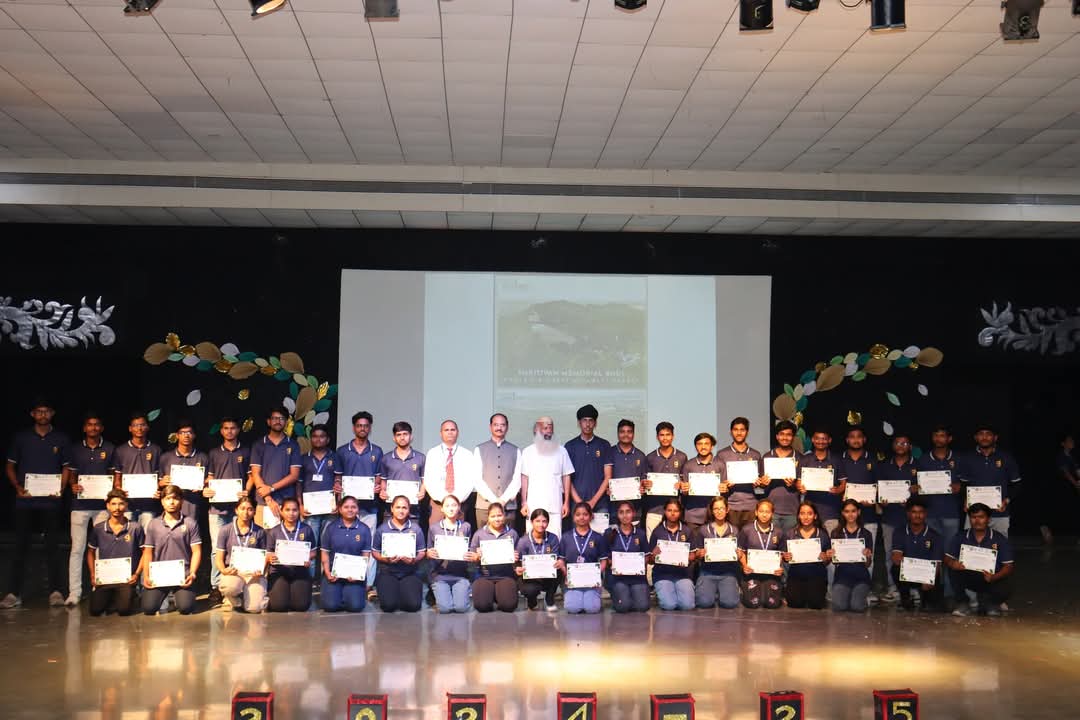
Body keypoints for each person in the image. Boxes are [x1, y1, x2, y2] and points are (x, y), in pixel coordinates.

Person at [3, 397, 71, 609]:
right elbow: (10, 466)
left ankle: (56, 591)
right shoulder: (21, 438)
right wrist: (17, 487)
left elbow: (67, 467)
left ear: (52, 414)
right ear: (33, 414)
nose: (43, 415)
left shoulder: (61, 438)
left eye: (46, 411)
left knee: (53, 548)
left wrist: (61, 488)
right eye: (39, 411)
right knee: (20, 547)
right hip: (26, 501)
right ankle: (13, 593)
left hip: (51, 502)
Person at [62, 411, 115, 607]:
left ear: (101, 428)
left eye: (97, 424)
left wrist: (112, 490)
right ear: (85, 428)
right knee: (77, 549)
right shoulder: (75, 449)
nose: (93, 427)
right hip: (80, 506)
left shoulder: (109, 448)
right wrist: (72, 485)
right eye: (90, 424)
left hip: (102, 507)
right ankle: (74, 592)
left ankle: (99, 588)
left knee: (101, 548)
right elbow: (72, 475)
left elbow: (113, 475)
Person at [204, 417, 251, 608]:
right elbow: (209, 479)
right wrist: (206, 489)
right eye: (226, 428)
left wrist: (246, 490)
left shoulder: (245, 451)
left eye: (233, 428)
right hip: (216, 509)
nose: (229, 431)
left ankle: (240, 583)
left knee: (240, 546)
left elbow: (250, 476)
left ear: (238, 430)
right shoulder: (214, 453)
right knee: (217, 549)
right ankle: (216, 586)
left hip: (239, 509)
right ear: (221, 431)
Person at [915, 425, 963, 595]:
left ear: (949, 439)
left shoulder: (958, 458)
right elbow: (916, 484)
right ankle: (933, 593)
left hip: (951, 514)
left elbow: (967, 483)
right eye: (936, 435)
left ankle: (949, 592)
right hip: (930, 514)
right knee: (930, 554)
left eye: (942, 435)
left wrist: (960, 487)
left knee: (950, 554)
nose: (939, 439)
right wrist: (917, 488)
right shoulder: (923, 459)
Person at [872, 434, 919, 604]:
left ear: (910, 446)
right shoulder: (884, 466)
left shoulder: (918, 465)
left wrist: (915, 493)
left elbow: (925, 491)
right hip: (889, 518)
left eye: (904, 443)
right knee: (890, 555)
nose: (901, 446)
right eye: (898, 443)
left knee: (913, 554)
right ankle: (893, 589)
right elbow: (878, 490)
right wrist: (881, 501)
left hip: (913, 520)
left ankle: (914, 590)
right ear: (893, 445)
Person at [141, 485, 201, 615]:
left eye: (175, 498)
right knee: (148, 608)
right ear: (162, 501)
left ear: (182, 501)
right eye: (168, 498)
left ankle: (179, 598)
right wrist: (146, 575)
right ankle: (166, 598)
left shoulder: (190, 523)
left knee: (186, 608)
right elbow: (148, 552)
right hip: (159, 574)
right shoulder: (153, 524)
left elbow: (196, 551)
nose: (172, 502)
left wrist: (192, 573)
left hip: (183, 574)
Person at [946, 503, 1015, 617]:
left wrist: (994, 577)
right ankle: (963, 603)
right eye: (973, 517)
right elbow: (947, 557)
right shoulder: (960, 536)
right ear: (969, 519)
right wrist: (953, 563)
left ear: (988, 519)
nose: (977, 521)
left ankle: (992, 603)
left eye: (981, 517)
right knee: (952, 569)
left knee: (1007, 584)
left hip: (991, 578)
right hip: (970, 576)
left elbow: (1009, 566)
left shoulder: (999, 538)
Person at [86, 489, 143, 617]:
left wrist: (136, 574)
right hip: (106, 578)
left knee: (124, 610)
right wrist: (93, 575)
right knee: (95, 610)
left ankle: (132, 595)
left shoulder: (135, 527)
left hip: (126, 579)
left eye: (121, 504)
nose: (117, 508)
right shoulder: (99, 528)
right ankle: (112, 597)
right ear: (108, 505)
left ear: (126, 505)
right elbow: (90, 552)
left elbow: (145, 553)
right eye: (113, 504)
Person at [956, 423, 1021, 536]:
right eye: (981, 434)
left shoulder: (1006, 457)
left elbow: (1017, 484)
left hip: (999, 513)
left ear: (995, 437)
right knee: (971, 544)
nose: (984, 437)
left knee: (999, 545)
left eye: (988, 434)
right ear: (976, 437)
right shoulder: (967, 458)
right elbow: (963, 484)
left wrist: (1006, 501)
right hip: (975, 513)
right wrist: (965, 499)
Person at [299, 424, 342, 578]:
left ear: (327, 439)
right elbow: (299, 484)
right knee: (310, 546)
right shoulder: (304, 458)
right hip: (310, 510)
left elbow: (338, 481)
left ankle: (326, 578)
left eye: (322, 436)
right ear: (311, 439)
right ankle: (308, 580)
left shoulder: (334, 457)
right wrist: (300, 505)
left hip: (330, 510)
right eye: (315, 436)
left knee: (328, 545)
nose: (318, 439)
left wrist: (338, 503)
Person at [890, 496, 945, 612]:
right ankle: (905, 597)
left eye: (921, 512)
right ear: (908, 514)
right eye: (914, 512)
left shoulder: (935, 535)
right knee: (895, 569)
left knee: (931, 608)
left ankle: (923, 595)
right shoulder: (899, 532)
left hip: (927, 575)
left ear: (925, 514)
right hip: (908, 573)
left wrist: (929, 580)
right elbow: (896, 558)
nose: (917, 515)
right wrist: (898, 559)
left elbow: (937, 564)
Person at [372, 495, 426, 612]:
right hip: (388, 571)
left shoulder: (416, 529)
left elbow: (422, 552)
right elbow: (375, 552)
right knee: (389, 606)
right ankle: (394, 593)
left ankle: (402, 592)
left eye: (404, 508)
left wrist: (414, 560)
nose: (401, 511)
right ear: (392, 509)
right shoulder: (382, 529)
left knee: (413, 606)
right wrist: (386, 559)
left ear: (409, 510)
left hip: (409, 572)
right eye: (398, 507)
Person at [250, 407, 302, 529]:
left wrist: (271, 488)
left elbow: (294, 475)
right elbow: (255, 474)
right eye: (274, 418)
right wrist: (268, 498)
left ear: (286, 422)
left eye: (282, 418)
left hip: (287, 504)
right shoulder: (259, 445)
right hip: (263, 502)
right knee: (262, 538)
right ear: (269, 421)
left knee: (286, 538)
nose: (278, 421)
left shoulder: (293, 444)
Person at [519, 417, 574, 534]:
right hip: (533, 505)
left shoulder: (562, 451)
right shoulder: (527, 452)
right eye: (545, 428)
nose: (548, 431)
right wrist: (523, 502)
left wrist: (566, 502)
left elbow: (566, 476)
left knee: (555, 538)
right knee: (533, 539)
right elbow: (524, 478)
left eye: (550, 428)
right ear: (536, 430)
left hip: (555, 505)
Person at [213, 496, 267, 613]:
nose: (246, 512)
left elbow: (264, 557)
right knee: (229, 587)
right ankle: (233, 599)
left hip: (253, 574)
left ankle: (246, 596)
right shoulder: (225, 530)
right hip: (234, 572)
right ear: (236, 510)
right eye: (242, 508)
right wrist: (223, 570)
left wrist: (261, 571)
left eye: (250, 509)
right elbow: (219, 557)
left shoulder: (260, 531)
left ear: (254, 512)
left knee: (254, 608)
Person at [320, 495, 373, 613]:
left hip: (354, 574)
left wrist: (357, 574)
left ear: (358, 509)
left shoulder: (364, 529)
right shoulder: (331, 528)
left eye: (353, 507)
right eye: (346, 507)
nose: (350, 510)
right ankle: (340, 595)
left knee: (355, 606)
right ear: (340, 509)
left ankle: (347, 595)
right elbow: (325, 552)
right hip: (334, 574)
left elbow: (366, 555)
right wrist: (327, 572)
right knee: (330, 606)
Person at [111, 411, 162, 530]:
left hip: (149, 504)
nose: (139, 428)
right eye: (135, 425)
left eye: (142, 425)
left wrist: (158, 490)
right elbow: (117, 478)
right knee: (127, 536)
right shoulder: (120, 450)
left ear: (147, 427)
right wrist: (119, 489)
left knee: (147, 537)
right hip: (127, 504)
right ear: (130, 428)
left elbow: (159, 477)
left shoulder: (156, 449)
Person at [473, 413, 522, 533]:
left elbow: (517, 479)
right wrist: (494, 500)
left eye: (502, 425)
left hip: (508, 506)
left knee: (508, 539)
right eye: (496, 425)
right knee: (484, 539)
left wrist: (503, 500)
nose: (499, 428)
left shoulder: (515, 450)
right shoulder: (479, 449)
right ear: (490, 427)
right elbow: (477, 479)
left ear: (507, 427)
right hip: (484, 507)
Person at [265, 497, 316, 612]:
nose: (291, 513)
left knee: (301, 606)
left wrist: (308, 558)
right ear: (281, 511)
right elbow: (268, 554)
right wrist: (271, 558)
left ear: (299, 511)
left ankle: (293, 594)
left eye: (294, 510)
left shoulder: (306, 529)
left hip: (300, 570)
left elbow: (313, 551)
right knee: (278, 607)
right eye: (287, 510)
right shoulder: (274, 531)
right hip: (279, 571)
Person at [337, 411, 384, 533]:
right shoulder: (342, 451)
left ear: (370, 428)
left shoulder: (377, 451)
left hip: (369, 507)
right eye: (359, 425)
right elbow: (338, 476)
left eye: (366, 426)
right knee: (347, 538)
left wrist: (376, 486)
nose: (362, 428)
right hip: (347, 506)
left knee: (368, 538)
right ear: (354, 428)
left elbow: (378, 476)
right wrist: (337, 485)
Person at [564, 404, 613, 522]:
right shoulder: (570, 446)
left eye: (591, 421)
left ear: (595, 423)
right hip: (577, 505)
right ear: (579, 423)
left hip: (600, 504)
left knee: (601, 534)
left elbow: (608, 476)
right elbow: (567, 478)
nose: (587, 424)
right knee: (578, 534)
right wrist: (580, 503)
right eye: (584, 420)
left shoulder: (604, 445)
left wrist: (593, 502)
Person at [426, 494, 474, 613]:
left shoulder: (466, 527)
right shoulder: (434, 528)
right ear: (442, 509)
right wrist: (429, 553)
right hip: (440, 575)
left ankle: (458, 591)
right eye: (447, 506)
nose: (451, 508)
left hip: (460, 575)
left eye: (454, 505)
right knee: (445, 609)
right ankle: (437, 591)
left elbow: (469, 549)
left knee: (461, 608)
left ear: (459, 507)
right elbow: (429, 549)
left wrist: (471, 555)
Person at [470, 501, 521, 613]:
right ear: (488, 517)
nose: (497, 519)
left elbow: (519, 556)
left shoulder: (512, 533)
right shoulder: (479, 534)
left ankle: (499, 595)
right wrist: (476, 557)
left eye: (499, 515)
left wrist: (516, 557)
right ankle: (491, 595)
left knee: (509, 606)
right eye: (493, 516)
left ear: (504, 515)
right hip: (484, 576)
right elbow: (471, 556)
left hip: (506, 575)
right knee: (482, 606)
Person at [780, 501, 832, 610]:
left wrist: (826, 558)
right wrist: (786, 557)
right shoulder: (790, 533)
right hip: (796, 575)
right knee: (795, 603)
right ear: (798, 516)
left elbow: (828, 559)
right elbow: (783, 556)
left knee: (815, 604)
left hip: (816, 575)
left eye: (809, 513)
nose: (806, 517)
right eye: (802, 513)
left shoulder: (822, 534)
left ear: (815, 516)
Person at [425, 420, 476, 529]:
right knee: (436, 534)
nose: (450, 432)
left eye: (452, 430)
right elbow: (428, 480)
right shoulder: (433, 453)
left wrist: (455, 500)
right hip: (438, 503)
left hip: (459, 503)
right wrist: (445, 500)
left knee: (458, 535)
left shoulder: (467, 454)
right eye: (446, 430)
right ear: (441, 433)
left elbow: (470, 481)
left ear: (457, 432)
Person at [691, 496, 740, 609]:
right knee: (704, 603)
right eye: (716, 509)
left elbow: (738, 552)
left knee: (730, 603)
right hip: (707, 572)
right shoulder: (703, 530)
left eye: (722, 508)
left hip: (727, 572)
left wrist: (738, 554)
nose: (719, 511)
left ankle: (723, 591)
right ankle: (711, 591)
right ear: (712, 511)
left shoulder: (734, 530)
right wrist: (699, 553)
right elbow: (696, 553)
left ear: (727, 510)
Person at [716, 417, 764, 531]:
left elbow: (761, 481)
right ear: (731, 432)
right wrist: (724, 484)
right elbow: (717, 480)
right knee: (731, 538)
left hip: (751, 506)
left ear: (747, 432)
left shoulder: (756, 454)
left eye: (742, 430)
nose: (739, 433)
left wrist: (759, 482)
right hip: (730, 506)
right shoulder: (722, 454)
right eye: (735, 429)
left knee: (750, 538)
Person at [641, 422, 689, 538]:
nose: (665, 438)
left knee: (674, 544)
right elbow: (644, 481)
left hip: (675, 511)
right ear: (657, 437)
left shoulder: (682, 456)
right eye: (662, 435)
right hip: (654, 510)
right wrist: (645, 484)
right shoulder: (650, 457)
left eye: (668, 434)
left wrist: (682, 485)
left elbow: (685, 482)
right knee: (652, 544)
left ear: (673, 436)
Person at [561, 501, 609, 614]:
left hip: (591, 581)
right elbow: (561, 560)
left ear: (591, 516)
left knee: (592, 608)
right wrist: (567, 574)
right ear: (573, 517)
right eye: (578, 514)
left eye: (585, 514)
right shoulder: (566, 537)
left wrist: (596, 574)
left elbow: (604, 561)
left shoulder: (598, 537)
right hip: (573, 581)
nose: (581, 517)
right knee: (572, 608)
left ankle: (592, 596)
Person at [737, 499, 784, 610]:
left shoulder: (778, 532)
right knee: (753, 603)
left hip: (771, 573)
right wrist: (745, 566)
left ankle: (767, 590)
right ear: (756, 512)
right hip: (751, 573)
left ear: (772, 514)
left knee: (772, 604)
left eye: (767, 512)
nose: (764, 514)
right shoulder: (746, 530)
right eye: (761, 511)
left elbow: (782, 553)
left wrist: (779, 567)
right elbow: (741, 551)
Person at [604, 500, 650, 613]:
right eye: (621, 512)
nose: (625, 515)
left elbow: (647, 556)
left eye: (628, 512)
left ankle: (628, 596)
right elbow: (604, 558)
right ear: (617, 514)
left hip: (637, 578)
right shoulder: (609, 533)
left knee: (642, 607)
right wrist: (612, 562)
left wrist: (639, 563)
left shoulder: (640, 534)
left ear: (633, 513)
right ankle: (621, 597)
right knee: (623, 607)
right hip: (617, 578)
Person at [649, 498, 694, 611]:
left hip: (682, 574)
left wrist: (688, 558)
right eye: (669, 510)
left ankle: (675, 592)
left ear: (680, 512)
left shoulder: (687, 531)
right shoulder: (657, 531)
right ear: (665, 511)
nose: (672, 513)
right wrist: (653, 555)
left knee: (687, 605)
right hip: (662, 575)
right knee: (669, 605)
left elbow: (693, 555)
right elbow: (650, 560)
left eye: (676, 511)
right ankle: (664, 592)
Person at [798, 427, 846, 532]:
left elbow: (843, 483)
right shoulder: (805, 459)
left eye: (824, 439)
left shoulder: (836, 459)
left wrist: (838, 490)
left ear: (829, 440)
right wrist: (800, 487)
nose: (820, 441)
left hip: (831, 510)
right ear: (813, 440)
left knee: (832, 540)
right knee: (812, 540)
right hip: (810, 512)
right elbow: (798, 482)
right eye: (817, 438)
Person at [515, 508, 564, 611]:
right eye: (537, 521)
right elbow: (518, 562)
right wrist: (518, 569)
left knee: (559, 570)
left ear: (548, 523)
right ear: (532, 522)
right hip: (530, 578)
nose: (541, 524)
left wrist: (559, 562)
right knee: (529, 590)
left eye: (544, 521)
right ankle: (532, 602)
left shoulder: (553, 538)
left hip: (547, 575)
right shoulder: (523, 541)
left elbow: (555, 558)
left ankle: (549, 599)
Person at [158, 419, 208, 519]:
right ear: (177, 435)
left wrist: (203, 484)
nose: (186, 436)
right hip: (171, 503)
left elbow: (208, 481)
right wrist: (161, 483)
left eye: (189, 432)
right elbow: (158, 483)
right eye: (182, 433)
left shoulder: (203, 457)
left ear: (194, 435)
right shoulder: (166, 457)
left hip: (193, 504)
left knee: (190, 527)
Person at [377, 421, 426, 520]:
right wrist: (383, 491)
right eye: (398, 435)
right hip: (391, 511)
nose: (402, 437)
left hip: (413, 511)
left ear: (411, 436)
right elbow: (383, 481)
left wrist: (422, 491)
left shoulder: (421, 458)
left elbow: (424, 481)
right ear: (394, 438)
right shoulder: (386, 458)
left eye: (405, 434)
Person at [830, 499, 873, 612]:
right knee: (839, 606)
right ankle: (850, 595)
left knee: (857, 607)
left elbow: (868, 564)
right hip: (842, 577)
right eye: (847, 511)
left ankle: (861, 597)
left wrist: (867, 556)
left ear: (859, 512)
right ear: (842, 513)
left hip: (861, 577)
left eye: (853, 511)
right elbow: (835, 562)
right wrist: (832, 555)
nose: (850, 514)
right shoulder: (836, 533)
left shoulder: (866, 534)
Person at [680, 432, 726, 531]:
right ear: (695, 446)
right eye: (699, 444)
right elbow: (684, 492)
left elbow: (725, 489)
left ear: (712, 446)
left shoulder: (720, 464)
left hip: (714, 515)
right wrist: (684, 489)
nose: (703, 447)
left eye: (706, 444)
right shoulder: (688, 465)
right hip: (693, 515)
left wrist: (724, 488)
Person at [760, 421, 800, 532]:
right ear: (777, 436)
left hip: (792, 511)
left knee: (790, 541)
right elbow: (761, 484)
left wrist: (794, 484)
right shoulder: (767, 457)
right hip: (771, 511)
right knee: (771, 541)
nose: (785, 438)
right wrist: (763, 483)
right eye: (782, 434)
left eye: (788, 434)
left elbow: (802, 485)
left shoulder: (799, 457)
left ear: (793, 437)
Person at [610, 419, 648, 521]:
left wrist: (643, 487)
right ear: (618, 434)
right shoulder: (609, 453)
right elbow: (603, 477)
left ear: (633, 434)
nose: (626, 435)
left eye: (629, 432)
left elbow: (644, 479)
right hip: (613, 508)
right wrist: (607, 489)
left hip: (635, 508)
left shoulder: (641, 455)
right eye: (622, 432)